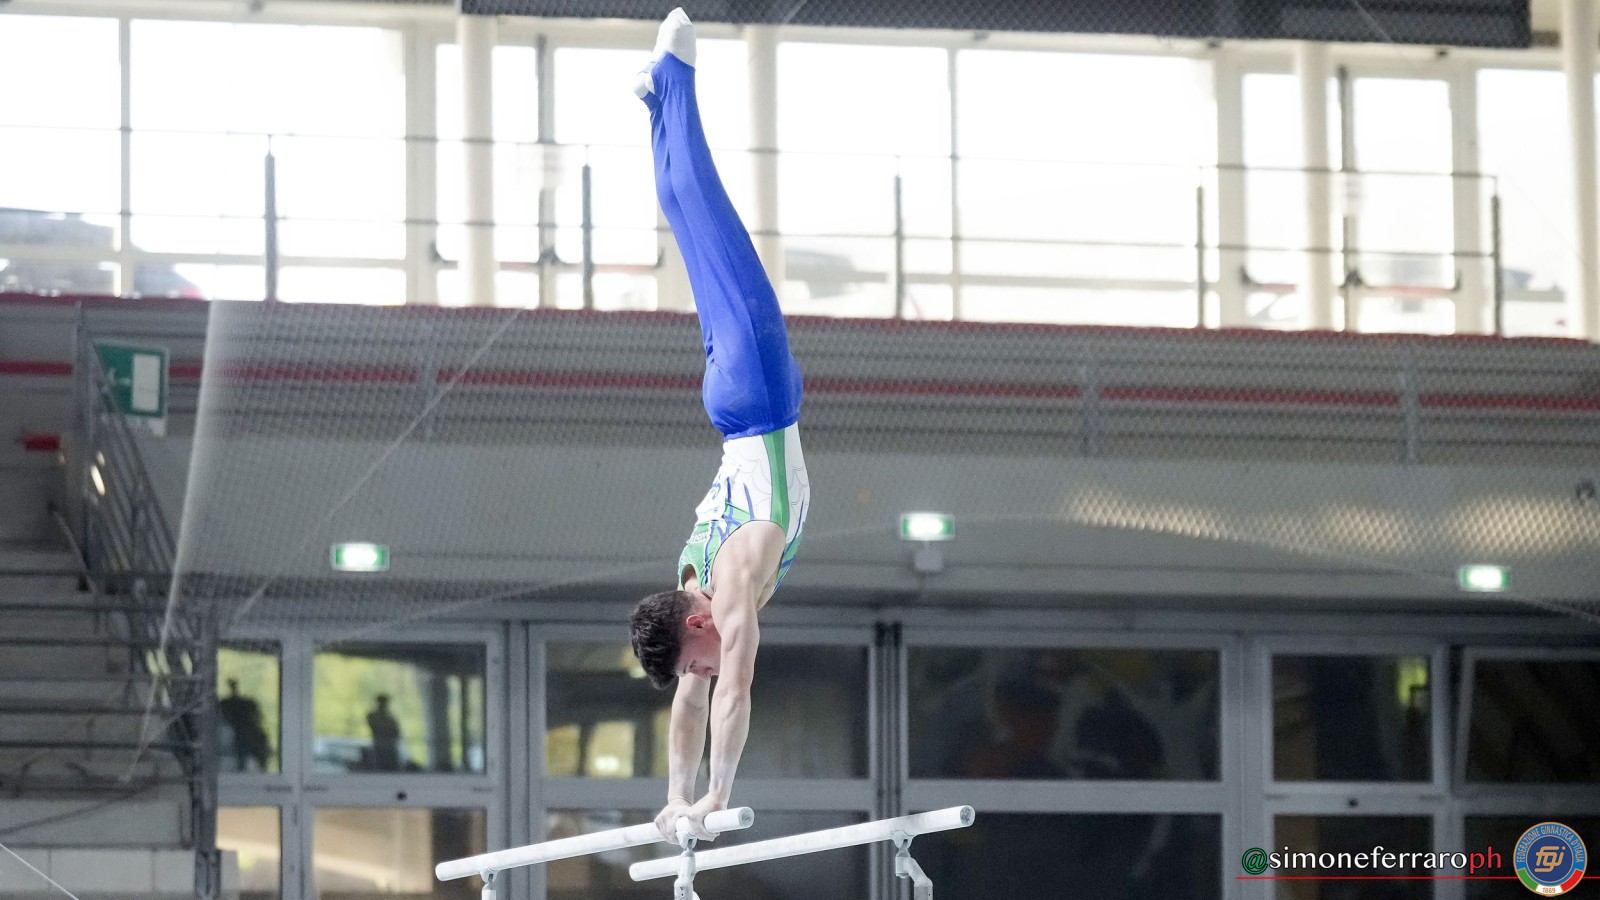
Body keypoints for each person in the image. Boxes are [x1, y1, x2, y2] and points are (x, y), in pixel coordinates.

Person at [625, 8, 809, 844]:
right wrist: (675, 797)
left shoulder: (727, 584)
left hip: (759, 392)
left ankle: (675, 79)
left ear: (696, 622)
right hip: (731, 403)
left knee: (710, 218)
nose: (697, 672)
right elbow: (695, 696)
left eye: (692, 658)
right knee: (690, 229)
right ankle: (656, 107)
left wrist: (714, 798)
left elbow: (732, 691)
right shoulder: (687, 581)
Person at [366, 694, 402, 772]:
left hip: (388, 744)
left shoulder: (390, 717)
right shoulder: (375, 716)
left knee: (389, 766)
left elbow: (395, 731)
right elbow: (375, 727)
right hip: (380, 743)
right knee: (380, 765)